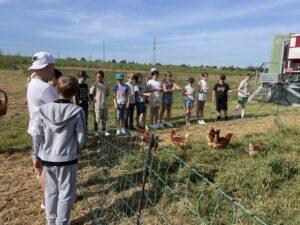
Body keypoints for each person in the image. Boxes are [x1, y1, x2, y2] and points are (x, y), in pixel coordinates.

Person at [32, 76, 87, 225]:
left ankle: (51, 220)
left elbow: (37, 135)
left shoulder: (43, 110)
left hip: (48, 158)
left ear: (57, 89)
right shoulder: (77, 111)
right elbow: (82, 138)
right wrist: (77, 151)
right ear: (75, 93)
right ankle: (62, 222)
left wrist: (36, 154)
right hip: (68, 158)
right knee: (66, 193)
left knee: (50, 192)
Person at [26, 51, 59, 210]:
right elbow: (59, 112)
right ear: (47, 67)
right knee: (46, 168)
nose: (53, 70)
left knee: (38, 164)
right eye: (52, 66)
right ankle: (48, 200)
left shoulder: (32, 82)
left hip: (34, 129)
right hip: (46, 132)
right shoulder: (46, 89)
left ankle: (45, 197)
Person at [89, 70, 110, 136]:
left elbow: (107, 94)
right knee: (97, 118)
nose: (98, 78)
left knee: (105, 118)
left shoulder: (106, 84)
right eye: (97, 77)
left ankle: (104, 130)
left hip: (104, 105)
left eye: (100, 77)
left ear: (103, 77)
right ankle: (96, 131)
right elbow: (90, 94)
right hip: (97, 105)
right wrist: (92, 102)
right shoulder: (94, 84)